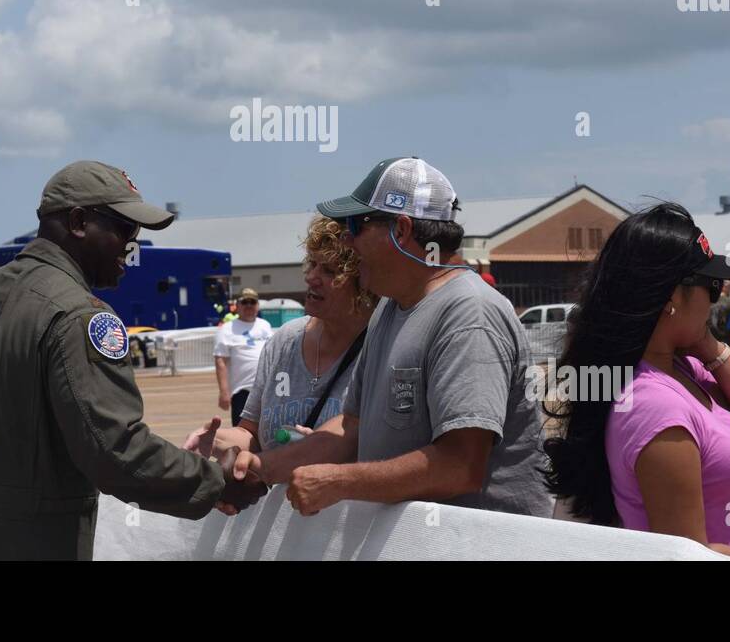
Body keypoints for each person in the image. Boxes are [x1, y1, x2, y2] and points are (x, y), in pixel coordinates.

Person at [0, 160, 253, 559]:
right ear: (80, 222)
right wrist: (218, 480)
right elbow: (115, 452)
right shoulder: (79, 316)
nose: (131, 246)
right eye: (124, 229)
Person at [231, 157, 553, 518]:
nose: (349, 241)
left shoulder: (468, 314)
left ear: (400, 230)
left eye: (356, 225)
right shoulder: (390, 308)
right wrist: (262, 468)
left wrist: (339, 482)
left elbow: (461, 466)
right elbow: (350, 429)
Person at [542, 202, 730, 559]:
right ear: (671, 298)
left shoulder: (686, 368)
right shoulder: (655, 406)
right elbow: (688, 554)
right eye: (711, 285)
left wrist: (711, 348)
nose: (718, 295)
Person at [185, 215, 376, 458]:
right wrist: (215, 439)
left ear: (364, 283)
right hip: (280, 496)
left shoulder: (381, 347)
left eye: (329, 271)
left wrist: (330, 451)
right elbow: (251, 435)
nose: (310, 278)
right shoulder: (285, 340)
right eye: (312, 264)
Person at [212, 289, 273, 425]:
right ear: (237, 306)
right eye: (245, 302)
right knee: (243, 431)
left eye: (253, 302)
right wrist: (224, 391)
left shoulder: (265, 325)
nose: (249, 306)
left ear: (257, 305)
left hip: (268, 389)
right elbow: (220, 360)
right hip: (242, 391)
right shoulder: (227, 329)